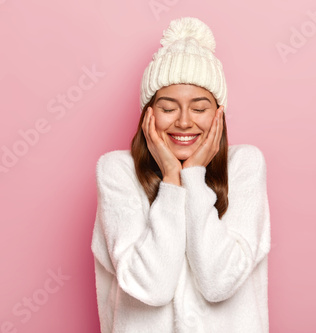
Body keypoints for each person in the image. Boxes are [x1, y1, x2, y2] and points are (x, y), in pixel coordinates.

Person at [91, 17, 271, 333]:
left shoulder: (245, 165)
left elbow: (218, 282)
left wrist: (195, 176)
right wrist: (173, 180)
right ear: (148, 113)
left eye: (199, 108)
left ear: (218, 115)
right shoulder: (117, 171)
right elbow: (151, 287)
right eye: (168, 107)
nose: (184, 122)